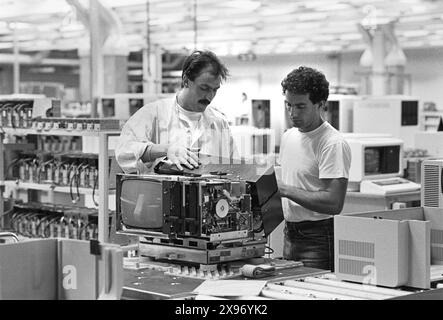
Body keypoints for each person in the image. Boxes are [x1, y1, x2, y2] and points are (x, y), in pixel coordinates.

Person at [277, 66, 352, 271]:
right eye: (288, 105)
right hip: (289, 232)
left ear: (321, 105)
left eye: (301, 106)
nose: (293, 113)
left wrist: (284, 190)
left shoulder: (331, 143)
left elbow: (334, 203)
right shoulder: (288, 136)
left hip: (317, 237)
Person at [115, 50, 238, 173]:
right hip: (158, 191)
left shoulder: (219, 122)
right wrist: (166, 149)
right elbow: (125, 152)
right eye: (204, 88)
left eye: (214, 90)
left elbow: (235, 169)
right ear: (185, 80)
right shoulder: (152, 113)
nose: (209, 96)